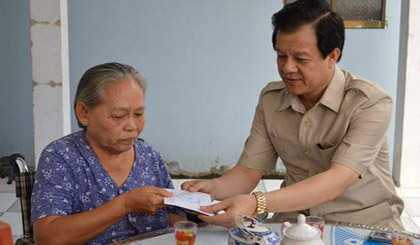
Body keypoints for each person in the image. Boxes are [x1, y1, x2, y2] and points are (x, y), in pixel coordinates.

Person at [182, 0, 404, 230]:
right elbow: (248, 171)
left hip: (363, 222)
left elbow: (336, 181)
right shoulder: (271, 100)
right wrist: (212, 189)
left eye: (301, 59)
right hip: (295, 220)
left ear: (332, 56)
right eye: (281, 56)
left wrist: (256, 203)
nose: (288, 68)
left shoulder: (369, 103)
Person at [31, 62, 187, 244]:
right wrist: (126, 204)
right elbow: (47, 237)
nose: (132, 126)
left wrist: (202, 207)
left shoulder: (148, 155)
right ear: (84, 113)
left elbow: (176, 221)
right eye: (119, 116)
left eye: (138, 114)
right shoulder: (61, 157)